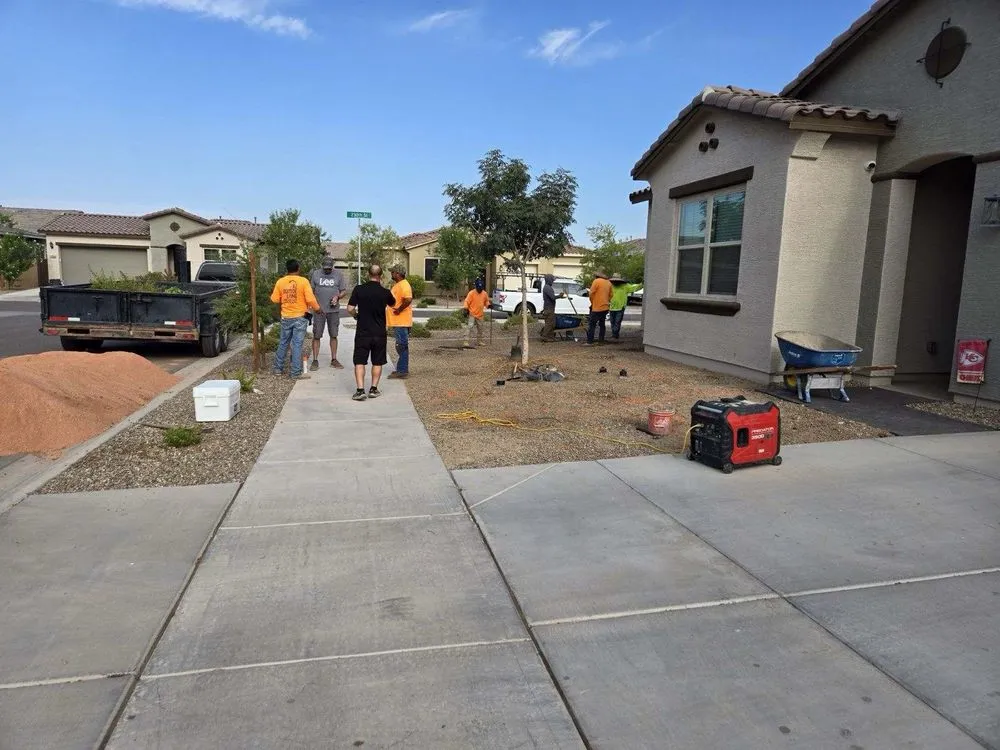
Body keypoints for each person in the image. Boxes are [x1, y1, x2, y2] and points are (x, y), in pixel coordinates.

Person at [346, 264, 397, 401]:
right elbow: (393, 304)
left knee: (360, 361)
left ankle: (360, 390)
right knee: (377, 361)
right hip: (379, 332)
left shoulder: (359, 289)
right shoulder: (385, 292)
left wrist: (356, 315)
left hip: (363, 331)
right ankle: (374, 389)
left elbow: (350, 308)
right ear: (380, 276)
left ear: (368, 274)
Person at [270, 258, 321, 378]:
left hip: (286, 317)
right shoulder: (303, 281)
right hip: (300, 317)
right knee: (297, 344)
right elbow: (310, 299)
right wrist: (317, 309)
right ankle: (295, 372)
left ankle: (278, 369)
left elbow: (274, 299)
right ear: (298, 268)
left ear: (287, 269)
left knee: (283, 343)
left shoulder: (280, 282)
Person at [308, 256, 348, 370]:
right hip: (319, 311)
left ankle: (334, 359)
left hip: (333, 311)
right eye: (325, 268)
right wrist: (315, 306)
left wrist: (337, 296)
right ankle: (315, 360)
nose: (327, 270)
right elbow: (311, 291)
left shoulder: (338, 275)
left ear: (332, 266)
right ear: (322, 266)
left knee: (334, 335)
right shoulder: (316, 274)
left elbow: (343, 291)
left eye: (329, 269)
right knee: (316, 335)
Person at [386, 265, 413, 379]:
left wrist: (399, 310)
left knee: (401, 345)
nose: (391, 274)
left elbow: (408, 299)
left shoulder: (404, 285)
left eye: (392, 272)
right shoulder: (398, 285)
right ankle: (401, 368)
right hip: (398, 322)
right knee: (400, 345)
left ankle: (402, 371)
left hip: (401, 322)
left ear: (397, 273)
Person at [608, 274, 642, 340]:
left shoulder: (625, 286)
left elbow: (634, 287)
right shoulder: (610, 286)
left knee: (617, 322)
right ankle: (614, 334)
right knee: (612, 322)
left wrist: (641, 284)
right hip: (611, 307)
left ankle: (615, 335)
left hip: (620, 307)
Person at [586, 271, 613, 345]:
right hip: (605, 306)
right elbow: (611, 295)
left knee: (592, 324)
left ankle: (589, 341)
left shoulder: (596, 281)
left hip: (597, 307)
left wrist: (593, 302)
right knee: (602, 324)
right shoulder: (608, 283)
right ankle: (601, 340)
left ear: (597, 276)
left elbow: (591, 294)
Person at [462, 278, 490, 348]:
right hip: (472, 313)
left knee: (480, 328)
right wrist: (465, 308)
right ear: (476, 286)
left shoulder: (484, 293)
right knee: (470, 326)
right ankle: (466, 341)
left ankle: (479, 341)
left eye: (481, 288)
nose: (480, 289)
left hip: (480, 314)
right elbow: (466, 301)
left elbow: (486, 301)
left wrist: (489, 305)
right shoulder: (471, 293)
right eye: (478, 288)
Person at [540, 274, 558, 342]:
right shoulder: (547, 288)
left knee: (552, 323)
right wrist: (560, 296)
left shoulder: (547, 287)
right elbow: (552, 297)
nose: (553, 282)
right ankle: (544, 337)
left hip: (549, 308)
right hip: (549, 309)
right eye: (552, 280)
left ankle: (551, 337)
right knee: (549, 324)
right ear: (549, 280)